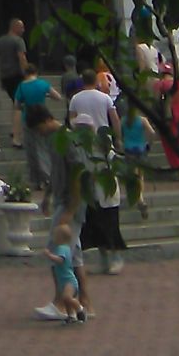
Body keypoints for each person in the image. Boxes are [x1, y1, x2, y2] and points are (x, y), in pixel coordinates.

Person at [26, 106, 92, 321]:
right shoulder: (56, 140)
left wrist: (70, 210)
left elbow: (78, 174)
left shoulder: (66, 139)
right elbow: (56, 171)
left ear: (46, 121)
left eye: (39, 129)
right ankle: (84, 302)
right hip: (64, 199)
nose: (40, 134)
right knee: (75, 255)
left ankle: (61, 303)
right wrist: (48, 196)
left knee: (59, 250)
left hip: (71, 202)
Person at [69, 76, 126, 274]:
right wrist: (118, 139)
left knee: (102, 210)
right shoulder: (105, 98)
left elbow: (72, 121)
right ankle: (108, 256)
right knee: (101, 212)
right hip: (100, 164)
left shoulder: (76, 99)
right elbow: (115, 119)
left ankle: (111, 256)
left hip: (93, 166)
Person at [14, 60, 62, 196]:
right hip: (43, 118)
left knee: (31, 151)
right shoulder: (43, 84)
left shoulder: (22, 86)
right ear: (36, 72)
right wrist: (45, 95)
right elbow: (58, 97)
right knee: (43, 148)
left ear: (25, 73)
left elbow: (17, 105)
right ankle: (47, 177)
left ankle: (36, 179)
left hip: (28, 119)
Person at [35, 211, 85, 325]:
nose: (53, 238)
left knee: (67, 297)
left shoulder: (62, 248)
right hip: (64, 280)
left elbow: (60, 260)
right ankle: (71, 315)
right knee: (65, 300)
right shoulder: (63, 247)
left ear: (61, 237)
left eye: (55, 235)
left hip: (69, 281)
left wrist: (49, 255)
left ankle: (80, 309)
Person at [0, 18, 28, 143]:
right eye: (21, 27)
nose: (23, 30)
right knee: (20, 105)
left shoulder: (1, 41)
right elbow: (22, 58)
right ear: (15, 27)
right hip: (17, 75)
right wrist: (27, 75)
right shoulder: (18, 41)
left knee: (15, 102)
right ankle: (16, 136)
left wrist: (0, 77)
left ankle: (13, 129)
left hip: (5, 76)